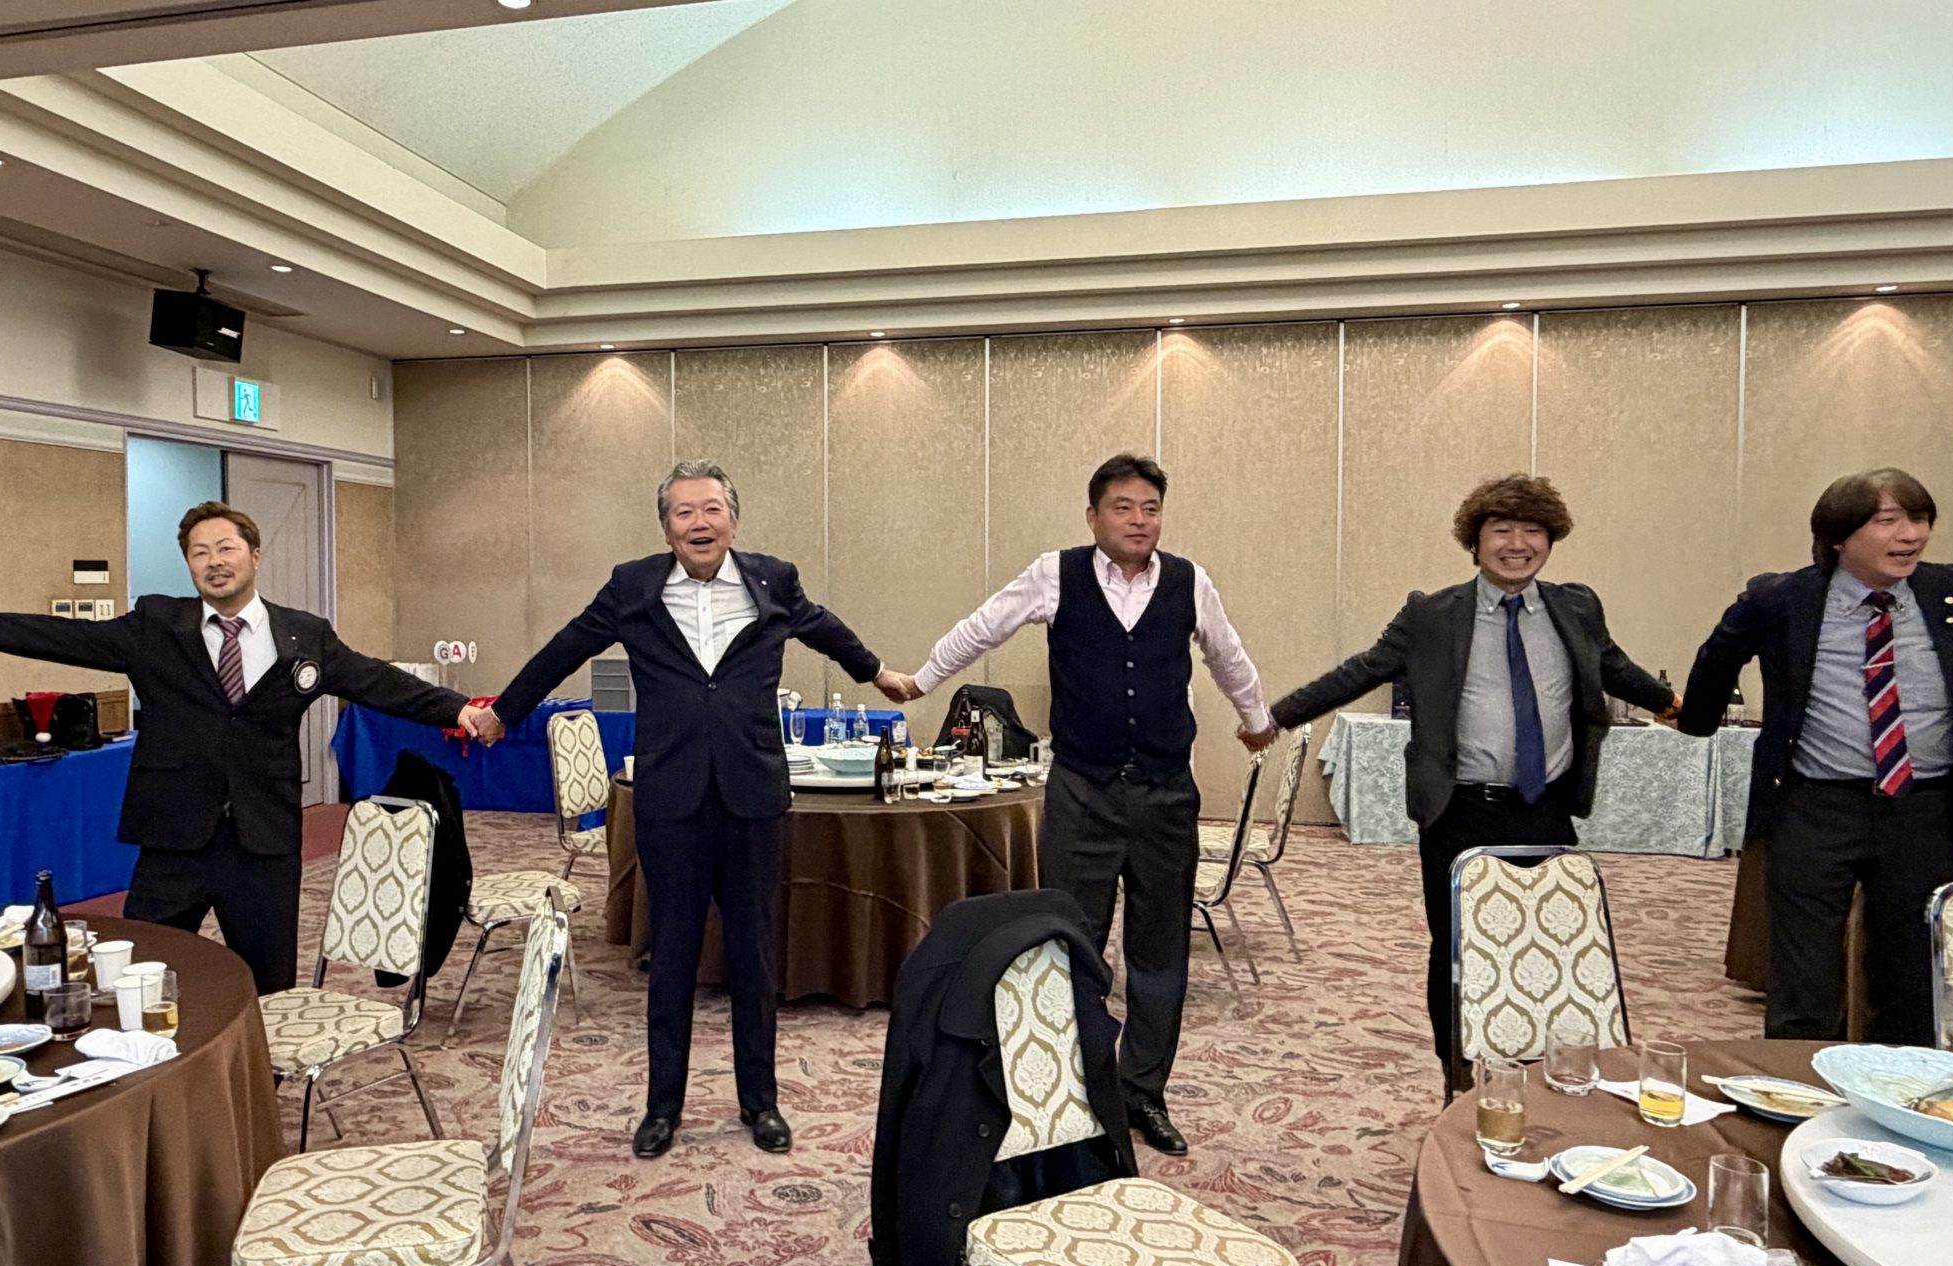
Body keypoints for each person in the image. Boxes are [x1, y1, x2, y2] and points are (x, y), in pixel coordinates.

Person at [473, 460, 908, 1158]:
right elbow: (567, 647)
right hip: (671, 797)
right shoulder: (632, 587)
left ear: (732, 518)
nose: (699, 523)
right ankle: (663, 1108)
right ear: (666, 527)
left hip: (752, 794)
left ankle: (761, 1102)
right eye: (684, 512)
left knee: (754, 953)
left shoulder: (773, 580)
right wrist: (505, 710)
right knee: (672, 954)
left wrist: (877, 672)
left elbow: (824, 627)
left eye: (711, 509)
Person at [0, 502, 493, 994]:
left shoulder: (304, 634)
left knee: (268, 981)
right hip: (173, 835)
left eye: (226, 548)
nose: (214, 561)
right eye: (199, 553)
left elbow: (378, 681)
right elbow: (61, 636)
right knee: (140, 970)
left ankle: (257, 1082)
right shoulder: (156, 625)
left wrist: (459, 710)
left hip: (263, 837)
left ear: (255, 556)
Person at [882, 452, 1272, 1155]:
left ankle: (1142, 1092)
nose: (1139, 520)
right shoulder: (1053, 574)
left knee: (1160, 951)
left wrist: (1255, 719)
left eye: (1150, 508)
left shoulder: (1189, 582)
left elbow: (1228, 655)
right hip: (1082, 793)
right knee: (1068, 945)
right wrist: (923, 679)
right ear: (1093, 517)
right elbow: (984, 626)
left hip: (1165, 796)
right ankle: (1072, 1095)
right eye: (1123, 507)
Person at [1266, 474, 1676, 1086]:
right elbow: (1362, 671)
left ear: (1551, 539)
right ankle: (1457, 1074)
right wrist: (1275, 717)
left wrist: (1678, 706)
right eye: (1502, 530)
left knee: (1549, 941)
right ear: (1475, 541)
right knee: (1460, 950)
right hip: (1460, 809)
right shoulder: (1431, 615)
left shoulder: (1576, 608)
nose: (1518, 544)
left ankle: (1540, 1070)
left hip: (1544, 805)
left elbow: (1612, 667)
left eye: (1532, 531)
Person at [1678, 467, 1953, 1043]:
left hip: (1922, 811)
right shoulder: (1782, 599)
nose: (1910, 534)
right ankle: (1798, 1087)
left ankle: (1899, 1087)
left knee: (1909, 974)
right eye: (1888, 521)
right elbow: (1717, 657)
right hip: (1814, 808)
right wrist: (1696, 719)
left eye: (1919, 519)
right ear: (1838, 536)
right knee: (1804, 980)